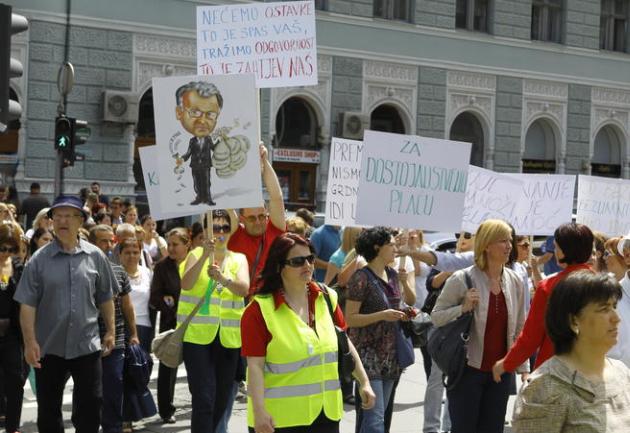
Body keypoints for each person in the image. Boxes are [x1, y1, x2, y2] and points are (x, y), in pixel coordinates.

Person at [241, 233, 376, 433]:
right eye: (297, 261)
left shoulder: (327, 298)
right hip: (279, 420)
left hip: (326, 416)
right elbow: (255, 367)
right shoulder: (258, 311)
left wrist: (364, 381)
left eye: (310, 258)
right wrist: (259, 412)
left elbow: (344, 342)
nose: (307, 265)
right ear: (279, 267)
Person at [13, 195, 118, 433]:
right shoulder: (38, 261)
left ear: (80, 220)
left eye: (68, 215)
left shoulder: (95, 256)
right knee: (49, 412)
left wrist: (110, 331)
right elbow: (27, 305)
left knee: (91, 407)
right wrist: (30, 343)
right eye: (56, 216)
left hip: (86, 346)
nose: (61, 221)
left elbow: (105, 297)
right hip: (49, 347)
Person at [431, 219, 526, 433]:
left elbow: (520, 327)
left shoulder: (515, 281)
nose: (509, 246)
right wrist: (462, 308)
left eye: (510, 240)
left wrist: (523, 369)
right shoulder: (462, 278)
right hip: (467, 372)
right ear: (486, 245)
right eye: (503, 240)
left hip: (500, 374)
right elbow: (436, 317)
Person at [512, 271, 630, 432]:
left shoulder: (622, 373)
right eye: (604, 309)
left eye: (614, 307)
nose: (616, 318)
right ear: (574, 320)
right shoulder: (546, 387)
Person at [492, 223, 594, 381]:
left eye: (556, 247)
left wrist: (505, 364)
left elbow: (531, 337)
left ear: (565, 250)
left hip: (554, 373)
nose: (554, 251)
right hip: (594, 370)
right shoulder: (604, 284)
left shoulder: (549, 287)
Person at [179, 210, 249, 433]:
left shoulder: (238, 258)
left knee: (221, 399)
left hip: (228, 340)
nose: (220, 232)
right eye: (215, 227)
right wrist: (203, 257)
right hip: (197, 339)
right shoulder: (195, 253)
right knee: (203, 398)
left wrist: (222, 278)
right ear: (207, 230)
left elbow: (243, 289)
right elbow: (186, 284)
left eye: (224, 228)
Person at [345, 227, 416, 433]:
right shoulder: (361, 277)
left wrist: (405, 311)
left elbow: (406, 301)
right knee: (375, 421)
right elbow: (350, 319)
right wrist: (382, 315)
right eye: (391, 244)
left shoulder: (393, 274)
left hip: (391, 356)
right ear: (377, 247)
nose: (395, 248)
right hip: (367, 355)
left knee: (377, 417)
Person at [89, 225, 139, 433]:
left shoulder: (119, 272)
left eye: (111, 241)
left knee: (113, 390)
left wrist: (134, 334)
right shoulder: (82, 269)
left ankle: (113, 428)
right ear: (91, 243)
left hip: (115, 341)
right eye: (103, 241)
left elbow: (127, 306)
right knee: (89, 393)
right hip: (86, 341)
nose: (108, 245)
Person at [228, 144, 285, 293]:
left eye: (261, 216)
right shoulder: (233, 233)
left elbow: (276, 197)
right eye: (252, 218)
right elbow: (227, 203)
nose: (259, 221)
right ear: (242, 219)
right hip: (239, 302)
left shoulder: (275, 230)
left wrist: (264, 161)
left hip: (269, 301)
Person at [149, 227, 190, 424]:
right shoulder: (162, 267)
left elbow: (214, 287)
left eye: (176, 244)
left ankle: (201, 404)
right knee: (168, 370)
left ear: (187, 244)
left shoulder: (197, 262)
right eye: (170, 244)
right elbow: (154, 298)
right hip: (171, 324)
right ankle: (166, 410)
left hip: (196, 325)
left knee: (197, 367)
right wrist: (164, 300)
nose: (171, 248)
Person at [118, 237, 156, 430]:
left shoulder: (148, 273)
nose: (132, 256)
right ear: (120, 254)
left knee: (141, 371)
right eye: (127, 252)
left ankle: (135, 413)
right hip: (123, 329)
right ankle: (125, 418)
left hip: (145, 328)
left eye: (135, 252)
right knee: (125, 374)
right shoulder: (115, 273)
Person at [174, 81, 222, 206]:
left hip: (205, 164)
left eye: (210, 114)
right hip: (195, 164)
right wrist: (182, 159)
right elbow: (189, 153)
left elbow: (213, 148)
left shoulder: (208, 139)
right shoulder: (192, 140)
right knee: (197, 182)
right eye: (195, 112)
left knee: (206, 182)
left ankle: (208, 198)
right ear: (179, 112)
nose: (202, 120)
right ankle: (199, 197)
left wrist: (221, 145)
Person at [0, 222, 27, 433]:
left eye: (11, 249)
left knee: (16, 380)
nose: (6, 253)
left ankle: (12, 427)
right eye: (3, 248)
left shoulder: (19, 267)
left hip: (12, 333)